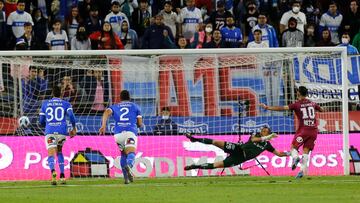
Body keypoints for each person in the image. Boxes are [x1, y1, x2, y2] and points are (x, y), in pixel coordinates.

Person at [260, 86, 324, 179]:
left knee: (293, 147)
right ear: (306, 94)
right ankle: (302, 170)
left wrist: (268, 107)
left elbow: (282, 108)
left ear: (298, 93)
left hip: (303, 130)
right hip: (314, 131)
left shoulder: (296, 104)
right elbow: (322, 110)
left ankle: (295, 157)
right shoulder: (313, 103)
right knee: (306, 150)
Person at [184, 127, 289, 171]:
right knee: (216, 142)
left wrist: (289, 153)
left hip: (240, 158)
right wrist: (266, 137)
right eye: (262, 130)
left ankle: (195, 166)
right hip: (238, 149)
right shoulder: (255, 135)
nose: (262, 131)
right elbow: (253, 140)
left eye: (265, 131)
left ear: (268, 133)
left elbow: (279, 154)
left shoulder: (268, 145)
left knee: (216, 165)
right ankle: (194, 139)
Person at [99, 90, 142, 184]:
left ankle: (126, 179)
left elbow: (106, 112)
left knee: (123, 154)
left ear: (120, 98)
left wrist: (103, 125)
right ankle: (129, 166)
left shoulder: (115, 106)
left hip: (118, 135)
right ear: (129, 98)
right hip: (130, 132)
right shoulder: (135, 106)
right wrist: (137, 125)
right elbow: (140, 123)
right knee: (131, 152)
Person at [39, 85, 77, 185]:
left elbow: (41, 121)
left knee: (51, 153)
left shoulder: (45, 104)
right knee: (59, 152)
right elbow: (72, 117)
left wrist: (48, 124)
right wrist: (73, 128)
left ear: (52, 93)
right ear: (61, 93)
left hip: (50, 131)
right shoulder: (66, 104)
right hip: (61, 132)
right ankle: (63, 176)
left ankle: (53, 173)